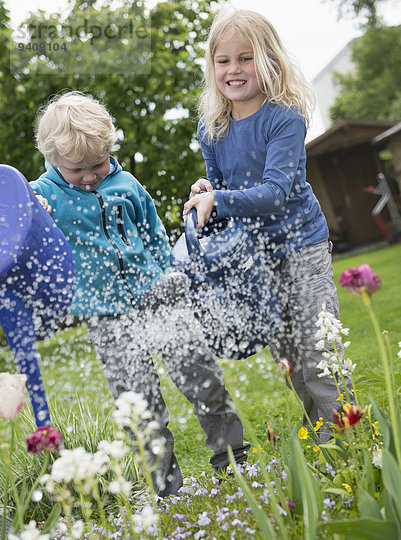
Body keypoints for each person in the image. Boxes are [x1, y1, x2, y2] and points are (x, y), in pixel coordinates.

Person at [29, 91, 250, 497]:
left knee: (203, 378)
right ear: (53, 158)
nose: (91, 176)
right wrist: (33, 210)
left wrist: (168, 272)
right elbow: (26, 232)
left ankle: (233, 460)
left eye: (98, 164)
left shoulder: (126, 183)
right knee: (140, 405)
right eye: (78, 170)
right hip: (106, 315)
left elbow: (150, 232)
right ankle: (165, 488)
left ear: (109, 148)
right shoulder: (43, 198)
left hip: (158, 296)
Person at [183, 9, 353, 436]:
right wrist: (208, 190)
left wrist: (219, 199)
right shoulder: (212, 127)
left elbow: (275, 193)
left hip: (302, 248)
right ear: (212, 66)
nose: (234, 69)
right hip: (255, 259)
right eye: (224, 61)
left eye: (246, 58)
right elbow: (223, 190)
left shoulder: (285, 117)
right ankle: (328, 445)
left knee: (321, 358)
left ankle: (352, 443)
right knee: (293, 363)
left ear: (269, 61)